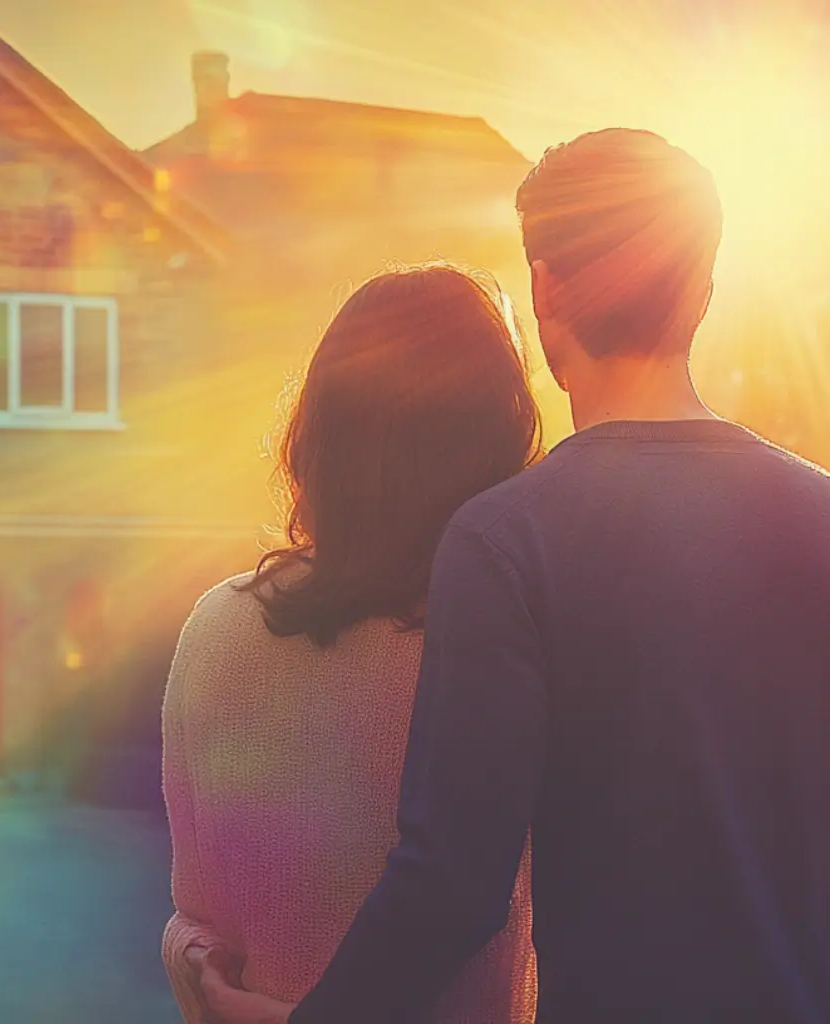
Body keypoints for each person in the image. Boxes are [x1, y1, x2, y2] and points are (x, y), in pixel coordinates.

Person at [194, 128, 830, 1024]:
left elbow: (453, 883)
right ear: (703, 290)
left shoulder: (506, 542)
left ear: (544, 285)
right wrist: (826, 984)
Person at [160, 263, 543, 1024]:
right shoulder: (503, 654)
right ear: (494, 441)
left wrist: (214, 985)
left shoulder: (214, 631)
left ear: (322, 431)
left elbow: (193, 922)